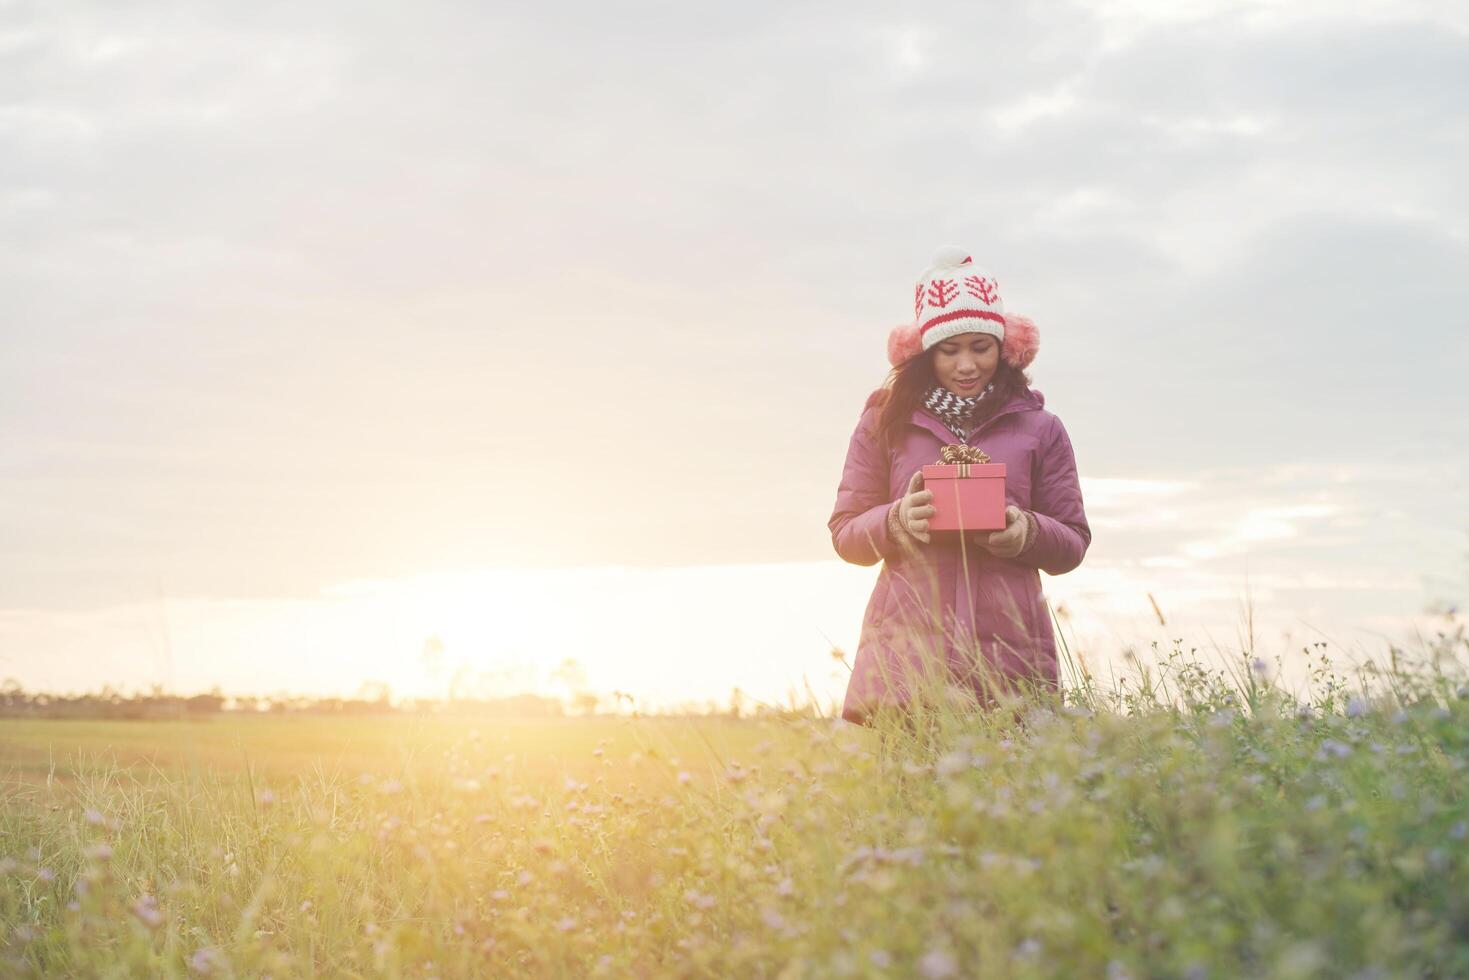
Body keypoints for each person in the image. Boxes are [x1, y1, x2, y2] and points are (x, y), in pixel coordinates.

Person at [828, 247, 1090, 727]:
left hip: (1012, 665)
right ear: (924, 353)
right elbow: (846, 534)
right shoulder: (884, 421)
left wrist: (1026, 533)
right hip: (907, 666)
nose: (966, 365)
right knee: (914, 801)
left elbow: (1072, 542)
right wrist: (897, 520)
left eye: (981, 347)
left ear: (1006, 349)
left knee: (1011, 799)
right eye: (949, 351)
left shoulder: (1041, 428)